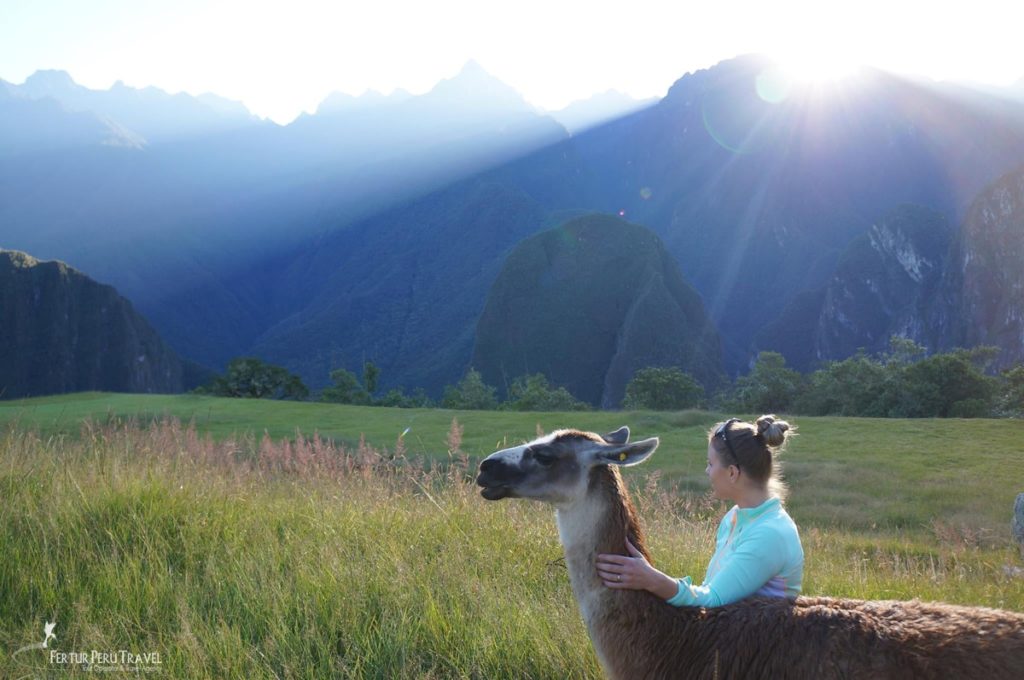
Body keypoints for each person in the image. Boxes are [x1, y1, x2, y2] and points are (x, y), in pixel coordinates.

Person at [595, 415, 803, 607]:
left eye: (710, 464)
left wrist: (650, 579)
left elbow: (712, 599)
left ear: (732, 473)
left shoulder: (770, 534)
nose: (707, 472)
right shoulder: (736, 517)